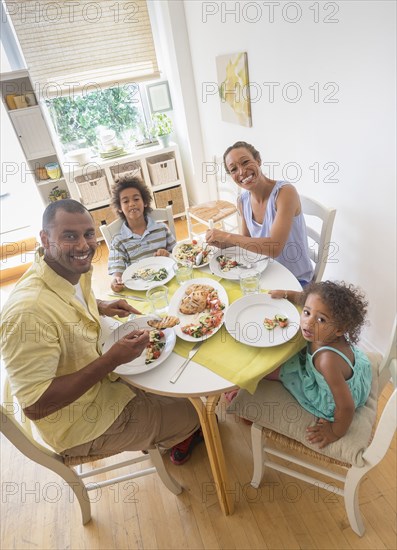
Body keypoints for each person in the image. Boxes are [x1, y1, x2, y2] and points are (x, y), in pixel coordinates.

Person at [0, 199, 202, 465]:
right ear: (45, 239)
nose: (84, 246)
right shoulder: (27, 313)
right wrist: (111, 361)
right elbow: (36, 406)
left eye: (88, 234)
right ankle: (174, 436)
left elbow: (68, 301)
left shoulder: (67, 269)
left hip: (107, 381)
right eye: (70, 236)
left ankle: (158, 429)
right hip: (81, 422)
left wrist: (102, 306)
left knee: (185, 384)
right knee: (197, 415)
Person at [265, 281, 372, 448]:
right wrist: (286, 293)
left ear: (339, 329)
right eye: (306, 313)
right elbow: (305, 298)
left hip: (334, 400)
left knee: (275, 368)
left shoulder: (327, 361)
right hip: (348, 376)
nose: (308, 323)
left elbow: (346, 406)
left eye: (321, 319)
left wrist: (335, 431)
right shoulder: (330, 332)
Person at [205, 141, 314, 285]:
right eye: (233, 169)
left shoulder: (285, 193)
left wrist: (227, 236)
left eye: (245, 162)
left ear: (258, 160)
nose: (242, 172)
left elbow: (274, 248)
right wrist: (223, 243)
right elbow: (245, 242)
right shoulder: (243, 201)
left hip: (295, 280)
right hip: (263, 274)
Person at [108, 176, 176, 292]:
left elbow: (176, 254)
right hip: (140, 288)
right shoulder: (119, 241)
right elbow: (117, 270)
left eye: (136, 199)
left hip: (167, 282)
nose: (131, 204)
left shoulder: (161, 229)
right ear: (119, 208)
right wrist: (116, 280)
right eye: (125, 201)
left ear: (145, 202)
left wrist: (167, 254)